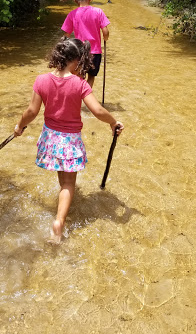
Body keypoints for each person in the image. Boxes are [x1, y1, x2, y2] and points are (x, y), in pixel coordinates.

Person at [14, 37, 124, 244]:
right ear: (76, 60)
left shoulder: (42, 80)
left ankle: (62, 209)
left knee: (61, 178)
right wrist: (113, 122)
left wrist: (20, 126)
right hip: (70, 140)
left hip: (50, 137)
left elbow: (31, 111)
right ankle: (59, 222)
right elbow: (98, 110)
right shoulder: (79, 83)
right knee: (69, 183)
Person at [60, 0, 110, 88]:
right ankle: (86, 96)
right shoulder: (98, 12)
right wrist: (105, 39)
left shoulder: (72, 14)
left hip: (79, 51)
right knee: (91, 77)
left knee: (79, 75)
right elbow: (105, 32)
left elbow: (66, 35)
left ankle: (76, 96)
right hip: (95, 52)